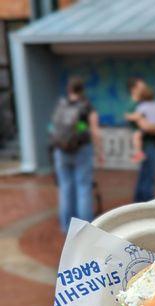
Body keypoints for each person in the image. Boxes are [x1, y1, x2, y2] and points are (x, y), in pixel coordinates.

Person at [50, 76, 103, 233]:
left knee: (65, 188)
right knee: (83, 188)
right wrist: (100, 151)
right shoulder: (87, 106)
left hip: (60, 150)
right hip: (81, 151)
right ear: (82, 90)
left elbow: (52, 128)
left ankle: (66, 227)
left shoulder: (61, 105)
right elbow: (94, 130)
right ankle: (83, 229)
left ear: (69, 89)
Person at [126, 78, 155, 202]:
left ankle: (138, 204)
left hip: (148, 143)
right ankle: (145, 206)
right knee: (148, 179)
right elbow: (147, 126)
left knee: (144, 177)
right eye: (141, 88)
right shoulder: (137, 105)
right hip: (148, 145)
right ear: (133, 89)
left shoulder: (139, 105)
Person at [125, 85, 155, 163]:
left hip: (149, 127)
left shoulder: (143, 106)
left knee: (136, 136)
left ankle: (138, 153)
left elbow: (137, 116)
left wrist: (128, 116)